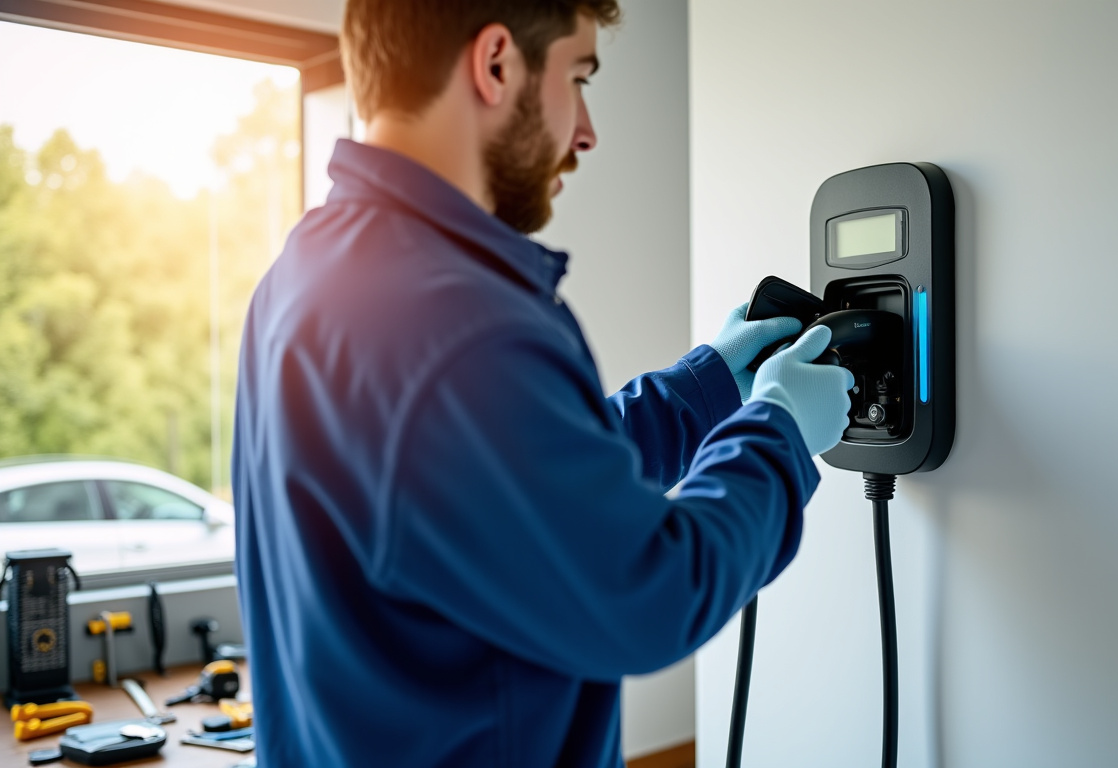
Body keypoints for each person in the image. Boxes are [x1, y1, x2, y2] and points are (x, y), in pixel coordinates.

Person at [230, 1, 854, 765]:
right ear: (496, 63)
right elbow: (649, 594)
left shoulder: (305, 272)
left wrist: (707, 386)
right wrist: (780, 434)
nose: (585, 130)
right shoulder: (462, 323)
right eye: (578, 77)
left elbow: (506, 489)